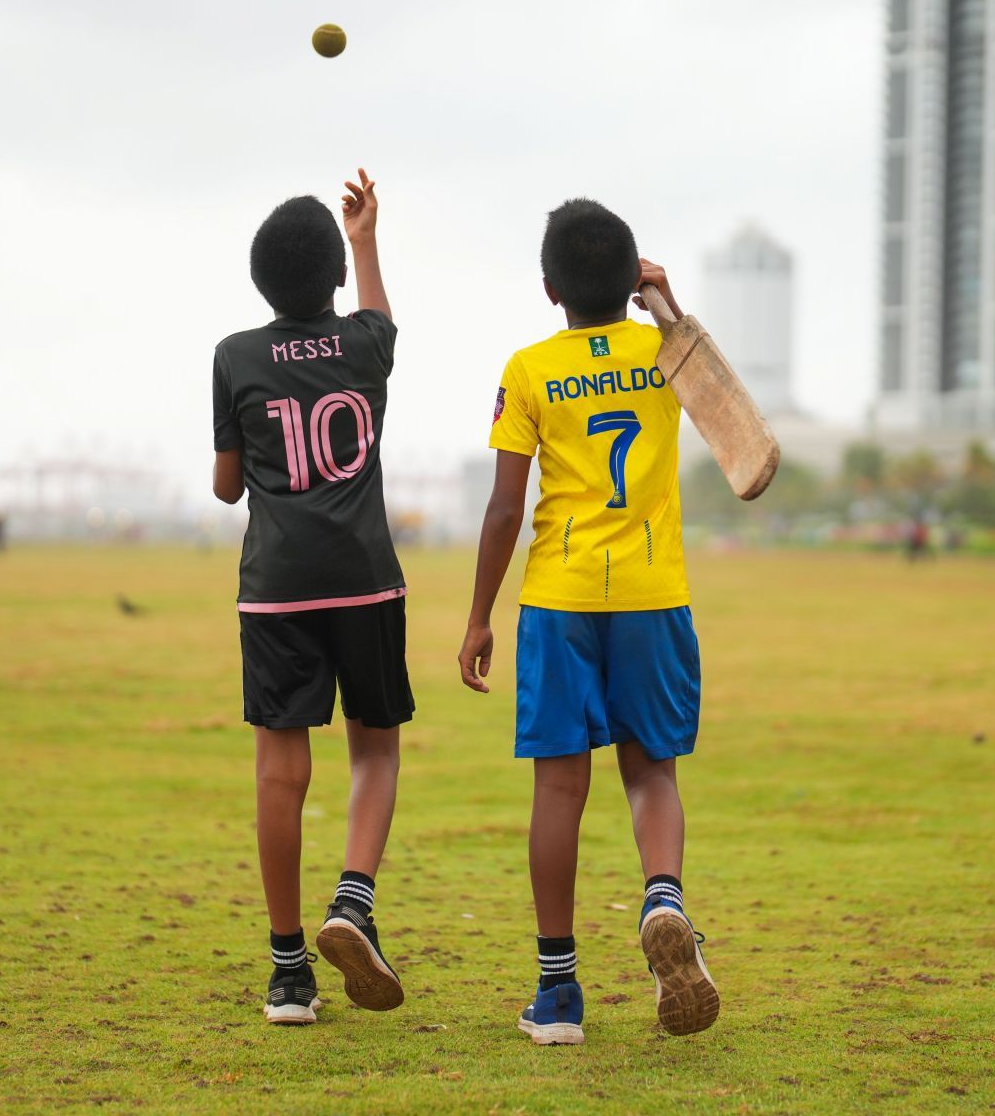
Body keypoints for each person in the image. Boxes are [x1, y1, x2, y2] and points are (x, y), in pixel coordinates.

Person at [458, 198, 719, 1047]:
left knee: (559, 789)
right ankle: (664, 901)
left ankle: (558, 995)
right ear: (633, 276)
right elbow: (732, 416)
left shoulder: (529, 370)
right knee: (652, 775)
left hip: (560, 598)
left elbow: (504, 510)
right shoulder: (663, 351)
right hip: (653, 591)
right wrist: (669, 309)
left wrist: (477, 618)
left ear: (549, 289)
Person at [211, 168, 412, 1027]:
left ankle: (288, 970)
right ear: (334, 277)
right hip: (364, 577)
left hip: (278, 589)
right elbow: (381, 318)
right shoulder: (365, 346)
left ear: (260, 282)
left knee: (279, 772)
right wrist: (366, 239)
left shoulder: (235, 356)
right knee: (374, 752)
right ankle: (354, 901)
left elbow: (227, 490)